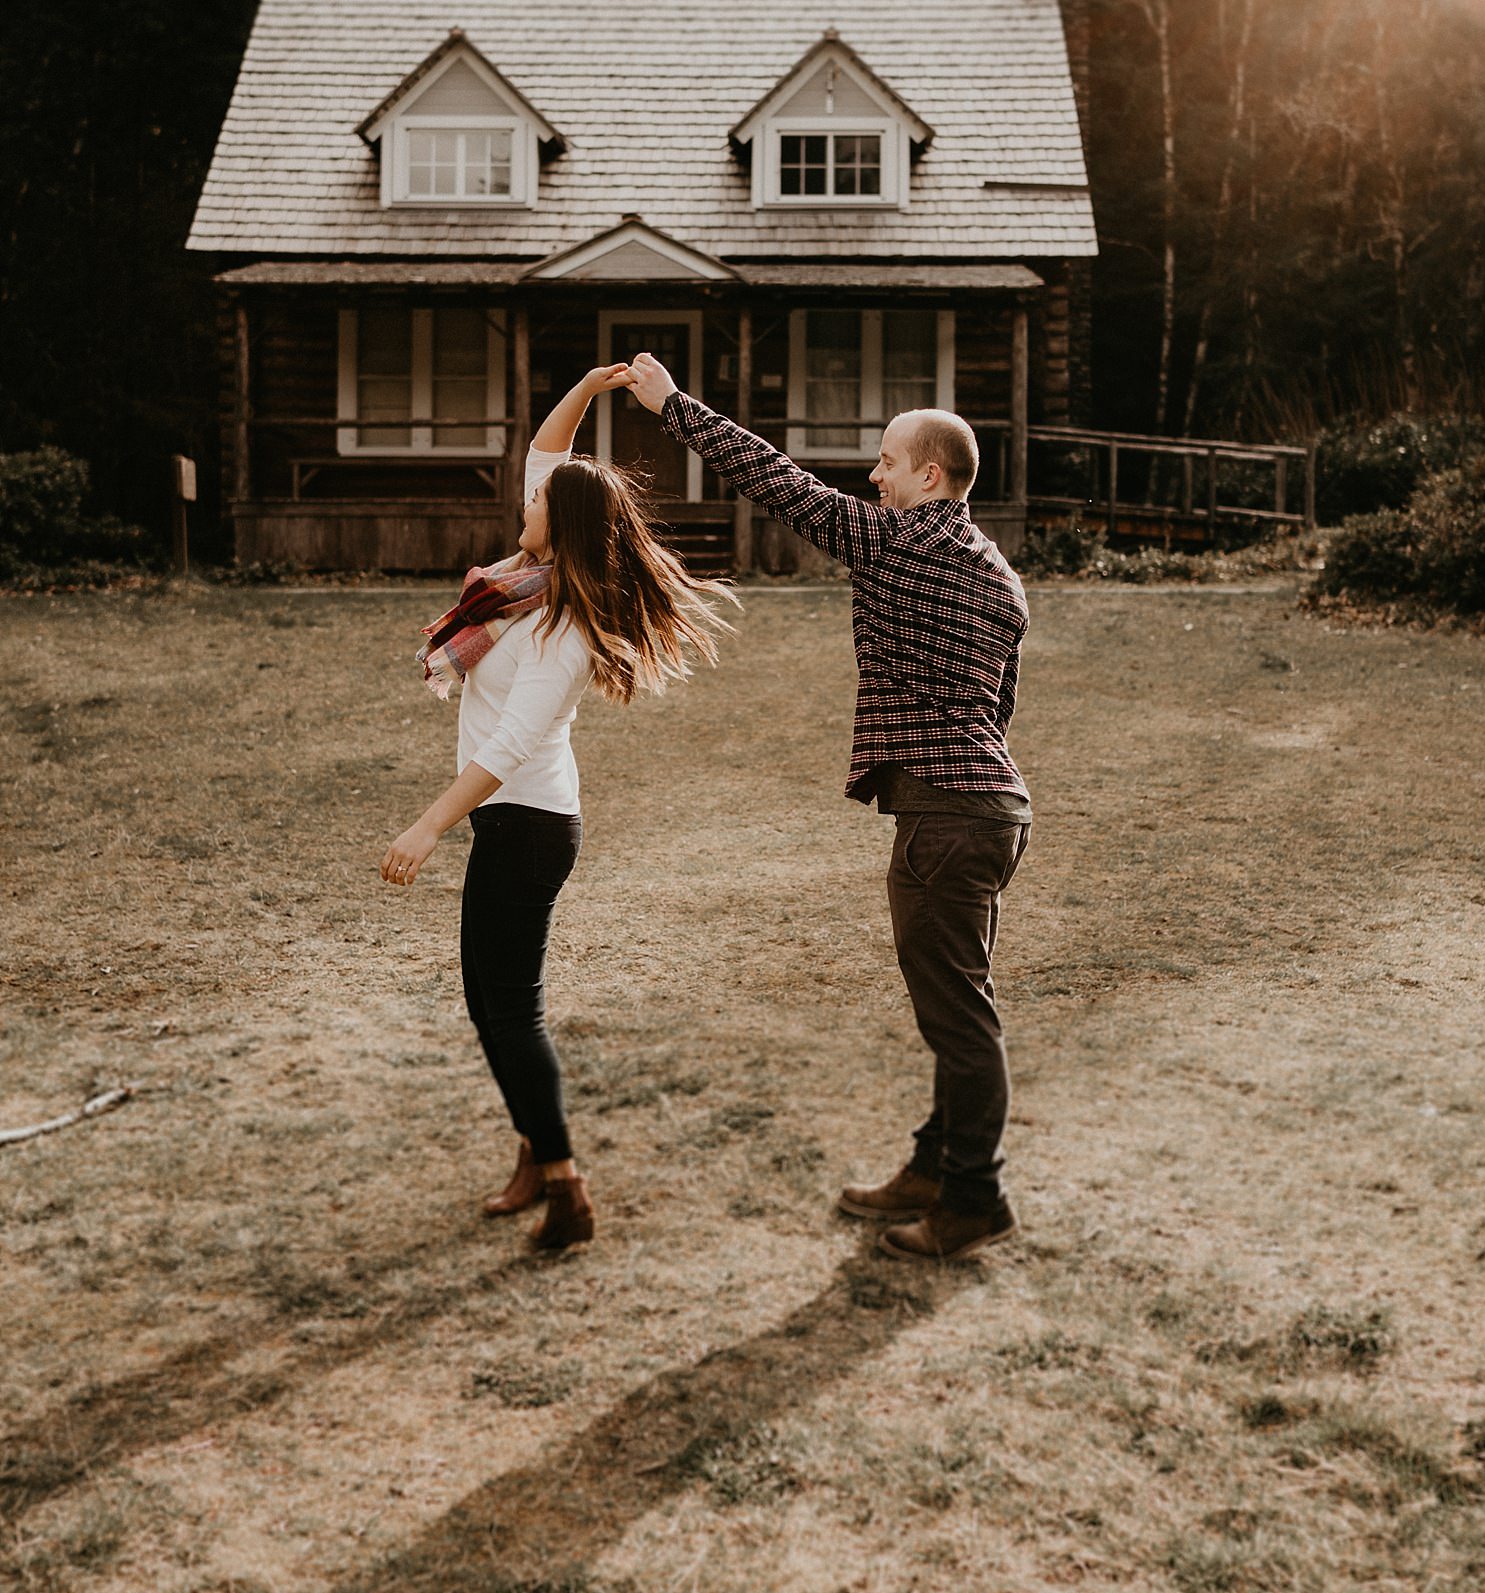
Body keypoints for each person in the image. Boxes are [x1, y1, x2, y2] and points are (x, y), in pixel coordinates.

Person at [625, 351, 1030, 1261]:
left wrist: (673, 405)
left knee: (962, 1021)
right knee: (955, 1007)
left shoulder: (894, 539)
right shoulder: (999, 573)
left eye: (886, 461)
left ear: (930, 476)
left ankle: (975, 1201)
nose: (872, 475)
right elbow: (1001, 705)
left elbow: (775, 478)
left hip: (945, 816)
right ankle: (936, 1165)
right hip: (993, 808)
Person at [380, 364, 732, 1252]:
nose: (523, 506)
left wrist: (428, 824)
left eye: (537, 506)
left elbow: (507, 753)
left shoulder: (562, 626)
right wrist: (593, 384)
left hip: (530, 828)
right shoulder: (527, 583)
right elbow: (549, 450)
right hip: (511, 826)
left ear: (559, 525)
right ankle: (536, 1151)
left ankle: (568, 1186)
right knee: (484, 999)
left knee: (513, 1006)